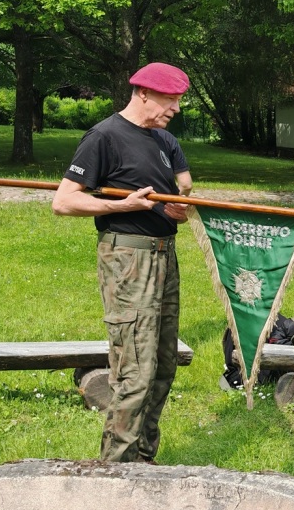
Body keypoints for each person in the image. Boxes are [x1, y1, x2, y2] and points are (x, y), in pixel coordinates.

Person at [52, 62, 192, 463]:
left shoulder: (162, 140)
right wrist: (121, 205)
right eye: (171, 99)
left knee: (163, 366)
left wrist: (176, 211)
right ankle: (115, 468)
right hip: (129, 259)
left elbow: (173, 198)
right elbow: (63, 201)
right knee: (136, 371)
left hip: (164, 256)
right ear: (143, 93)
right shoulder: (104, 136)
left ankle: (143, 459)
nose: (176, 108)